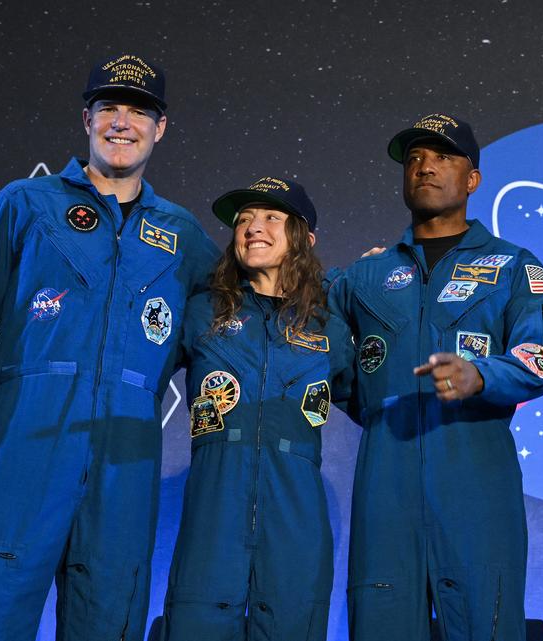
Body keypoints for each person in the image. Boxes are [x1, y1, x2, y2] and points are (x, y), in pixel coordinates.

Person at [0, 54, 219, 640]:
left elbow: (245, 316)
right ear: (87, 119)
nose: (122, 123)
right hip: (24, 446)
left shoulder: (184, 236)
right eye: (108, 108)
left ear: (160, 128)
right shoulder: (25, 203)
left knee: (109, 621)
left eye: (139, 112)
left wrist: (335, 292)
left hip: (126, 460)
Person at [329, 114, 543, 641]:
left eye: (442, 156)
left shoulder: (512, 265)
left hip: (475, 480)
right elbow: (325, 358)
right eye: (415, 158)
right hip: (385, 484)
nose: (425, 166)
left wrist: (480, 376)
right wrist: (378, 405)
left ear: (473, 179)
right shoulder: (364, 276)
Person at [161, 176, 353, 640]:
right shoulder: (201, 311)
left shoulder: (330, 323)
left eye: (271, 217)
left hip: (296, 514)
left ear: (306, 238)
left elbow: (376, 402)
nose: (252, 227)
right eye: (244, 219)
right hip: (213, 511)